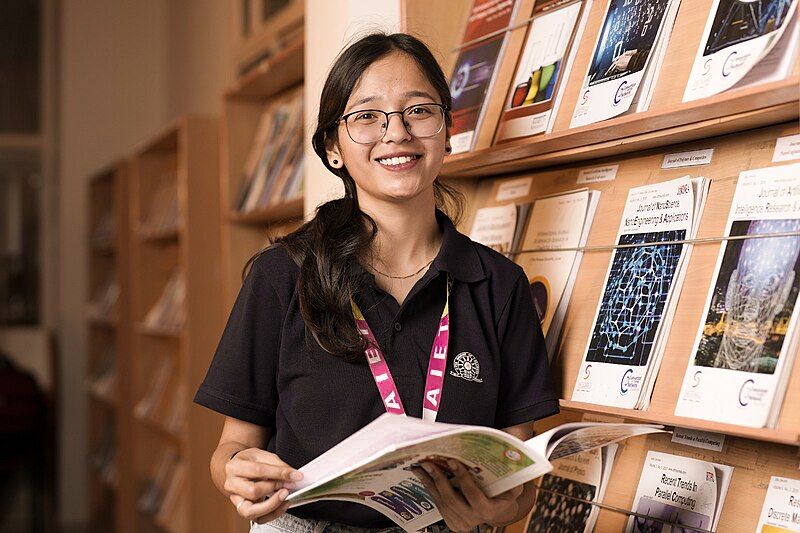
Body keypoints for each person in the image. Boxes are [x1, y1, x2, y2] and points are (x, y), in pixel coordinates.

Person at [194, 32, 559, 532]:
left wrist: (503, 509)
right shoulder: (281, 275)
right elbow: (231, 448)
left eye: (419, 110)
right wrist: (237, 473)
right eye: (367, 116)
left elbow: (520, 481)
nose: (397, 133)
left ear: (446, 132)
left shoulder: (500, 286)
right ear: (333, 147)